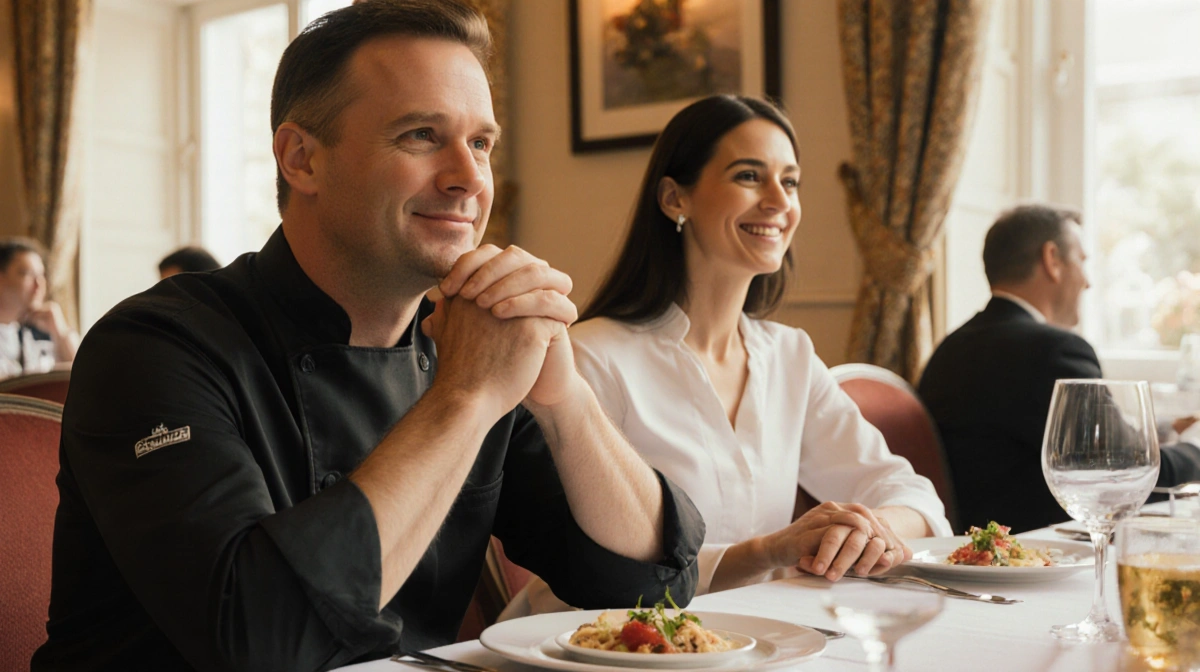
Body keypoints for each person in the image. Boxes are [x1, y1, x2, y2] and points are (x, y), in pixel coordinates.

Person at [32, 3, 707, 670]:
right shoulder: (154, 346)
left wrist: (567, 404)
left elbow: (650, 586)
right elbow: (259, 637)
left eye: (480, 143)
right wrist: (464, 399)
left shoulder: (467, 342)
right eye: (420, 135)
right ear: (302, 159)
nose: (469, 178)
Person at [566, 95, 951, 598]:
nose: (779, 201)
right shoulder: (593, 357)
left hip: (765, 643)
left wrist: (865, 529)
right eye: (749, 176)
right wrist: (770, 552)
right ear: (673, 199)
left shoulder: (790, 355)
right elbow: (591, 573)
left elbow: (915, 499)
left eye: (789, 182)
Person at [918, 204, 1200, 533]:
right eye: (1082, 260)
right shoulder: (1053, 351)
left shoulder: (950, 348)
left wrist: (1163, 429)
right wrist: (1195, 448)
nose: (1088, 281)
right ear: (1052, 259)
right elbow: (1130, 474)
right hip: (1043, 556)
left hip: (971, 548)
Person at [0, 237, 78, 379]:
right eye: (27, 274)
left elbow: (82, 377)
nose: (39, 284)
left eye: (41, 275)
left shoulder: (39, 332)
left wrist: (60, 332)